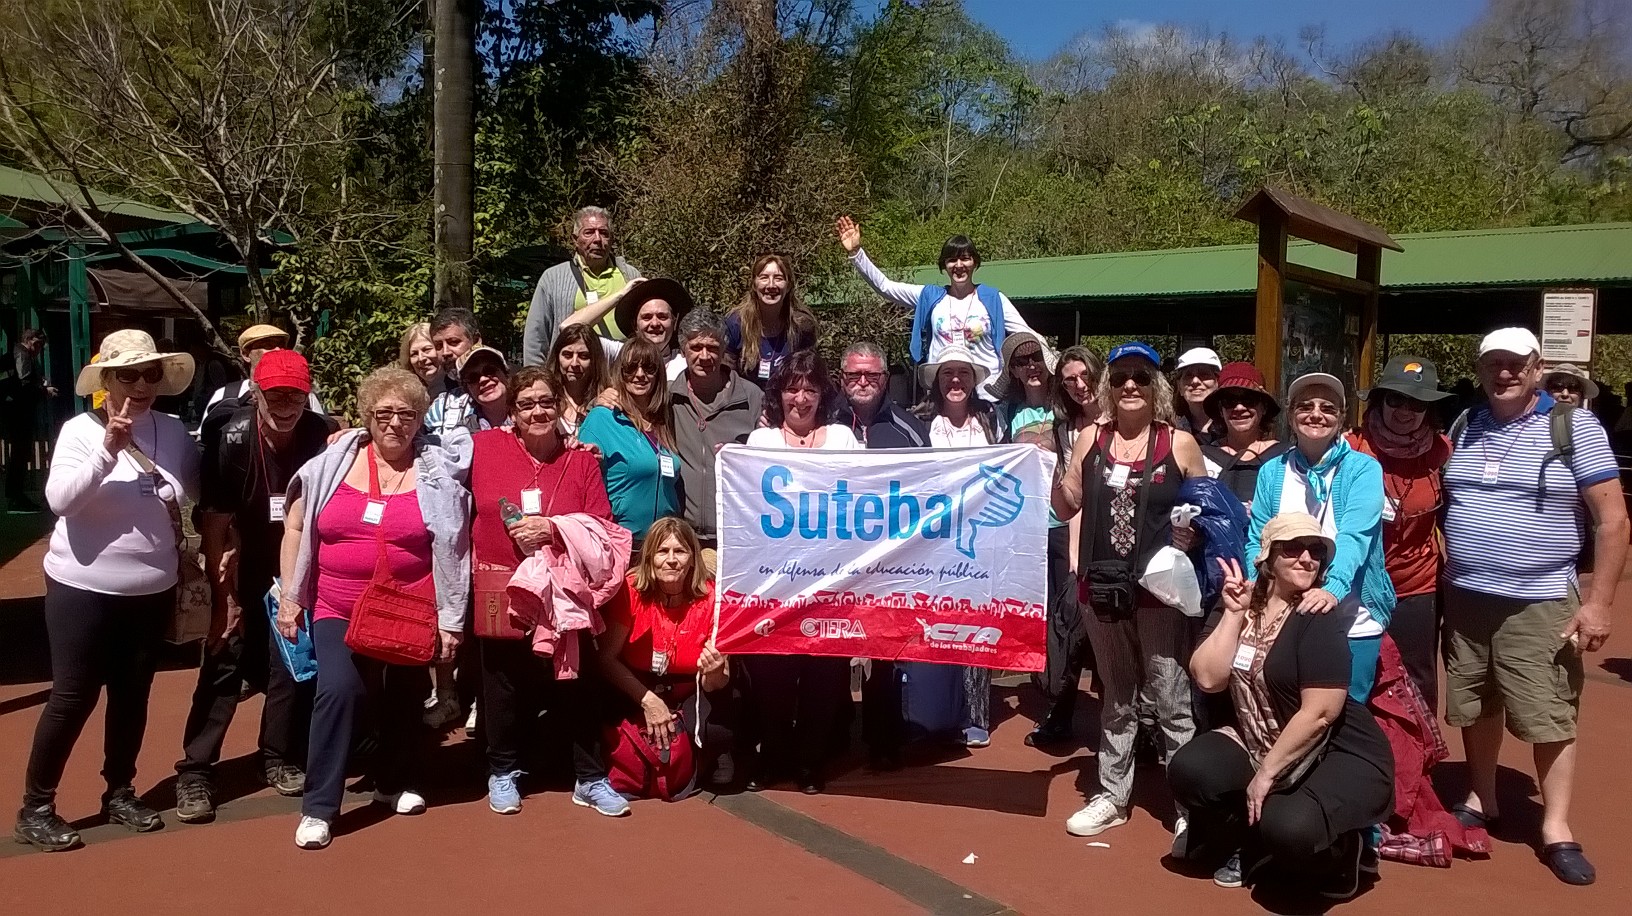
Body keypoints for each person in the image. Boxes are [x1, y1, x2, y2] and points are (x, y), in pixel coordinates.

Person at [1440, 328, 1628, 886]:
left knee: (1549, 711)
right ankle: (1483, 797)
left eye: (1515, 364)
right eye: (1493, 363)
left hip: (1540, 601)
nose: (1504, 373)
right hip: (1467, 596)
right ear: (1480, 369)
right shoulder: (1466, 424)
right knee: (1476, 701)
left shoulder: (1574, 427)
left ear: (1536, 367)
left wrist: (1599, 603)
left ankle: (1556, 826)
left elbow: (1613, 521)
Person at [14, 330, 198, 852]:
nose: (140, 385)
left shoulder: (173, 432)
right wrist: (106, 451)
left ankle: (120, 792)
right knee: (73, 697)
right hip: (83, 588)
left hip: (153, 589)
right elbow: (61, 501)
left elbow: (195, 492)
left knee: (132, 695)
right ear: (108, 380)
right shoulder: (78, 431)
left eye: (150, 373)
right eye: (128, 374)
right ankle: (36, 807)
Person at [275, 367, 472, 850]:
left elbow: (453, 548)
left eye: (406, 414)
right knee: (339, 691)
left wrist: (450, 620)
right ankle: (319, 807)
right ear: (367, 416)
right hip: (337, 602)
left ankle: (393, 781)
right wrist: (291, 595)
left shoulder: (437, 471)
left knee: (404, 695)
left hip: (409, 604)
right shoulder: (332, 463)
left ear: (420, 419)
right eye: (384, 413)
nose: (395, 423)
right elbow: (296, 526)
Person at [1170, 514, 1395, 899]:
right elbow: (1207, 678)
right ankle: (1249, 841)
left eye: (1316, 551)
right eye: (1293, 549)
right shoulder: (1241, 601)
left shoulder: (1317, 615)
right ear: (1267, 558)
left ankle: (1344, 853)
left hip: (1329, 752)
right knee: (1191, 769)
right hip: (1259, 740)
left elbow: (1320, 714)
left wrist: (1265, 776)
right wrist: (1234, 614)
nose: (1307, 558)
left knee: (1289, 830)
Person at [1050, 341, 1207, 841]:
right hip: (1101, 590)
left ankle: (1189, 807)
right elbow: (1067, 505)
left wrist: (1192, 532)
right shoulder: (1090, 440)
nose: (1130, 386)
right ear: (1108, 387)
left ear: (1155, 385)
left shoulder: (1178, 443)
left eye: (1140, 376)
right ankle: (1114, 795)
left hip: (1158, 592)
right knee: (1117, 695)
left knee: (1171, 697)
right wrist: (1047, 468)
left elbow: (1206, 509)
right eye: (1120, 378)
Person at [174, 350, 335, 824]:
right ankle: (196, 768)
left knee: (289, 661)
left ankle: (277, 755)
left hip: (295, 561)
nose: (286, 405)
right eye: (275, 395)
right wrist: (224, 599)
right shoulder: (231, 437)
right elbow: (215, 523)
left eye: (295, 396)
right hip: (239, 558)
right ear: (256, 394)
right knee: (224, 655)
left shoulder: (320, 435)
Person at [468, 366, 630, 817]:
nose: (537, 411)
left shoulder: (581, 460)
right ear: (512, 412)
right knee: (501, 682)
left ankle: (590, 778)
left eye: (546, 402)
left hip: (564, 590)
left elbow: (601, 526)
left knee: (575, 680)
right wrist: (351, 438)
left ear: (559, 406)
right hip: (502, 582)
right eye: (526, 404)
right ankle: (502, 770)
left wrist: (554, 529)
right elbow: (425, 456)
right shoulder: (482, 448)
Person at [744, 351, 860, 792]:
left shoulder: (843, 439)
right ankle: (774, 756)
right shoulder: (760, 442)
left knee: (824, 678)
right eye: (793, 388)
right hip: (775, 581)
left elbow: (867, 493)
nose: (801, 397)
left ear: (822, 394)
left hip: (831, 582)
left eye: (810, 388)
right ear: (779, 394)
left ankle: (811, 762)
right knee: (771, 677)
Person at [1245, 372, 1395, 703]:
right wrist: (1255, 591)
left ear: (1341, 417)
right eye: (1305, 406)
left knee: (1342, 713)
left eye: (1328, 408)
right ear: (1290, 415)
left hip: (1350, 618)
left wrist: (1332, 589)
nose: (1316, 414)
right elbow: (1258, 539)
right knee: (1286, 709)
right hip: (1283, 618)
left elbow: (1356, 536)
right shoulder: (1272, 471)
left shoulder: (1363, 469)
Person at [836, 341, 929, 770]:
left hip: (891, 558)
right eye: (854, 374)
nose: (863, 382)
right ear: (842, 378)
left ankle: (883, 738)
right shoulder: (824, 421)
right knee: (831, 644)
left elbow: (933, 489)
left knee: (886, 650)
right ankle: (833, 730)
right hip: (834, 556)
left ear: (885, 378)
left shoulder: (910, 429)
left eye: (871, 375)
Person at [1344, 356, 1453, 710]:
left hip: (1416, 586)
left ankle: (1418, 745)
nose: (1405, 410)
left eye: (1417, 403)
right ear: (1380, 401)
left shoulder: (1442, 451)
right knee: (1357, 676)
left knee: (1416, 679)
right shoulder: (1351, 447)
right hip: (1358, 586)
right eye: (1396, 399)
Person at [835, 215, 1038, 400]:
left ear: (975, 262)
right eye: (952, 260)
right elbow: (885, 287)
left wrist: (1049, 366)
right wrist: (856, 252)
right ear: (944, 266)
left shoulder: (993, 299)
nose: (959, 265)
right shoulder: (930, 297)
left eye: (965, 258)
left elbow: (1028, 335)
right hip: (943, 396)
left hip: (988, 396)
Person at [599, 517, 732, 798]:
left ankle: (711, 754)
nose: (671, 560)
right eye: (662, 551)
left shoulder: (712, 597)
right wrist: (649, 701)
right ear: (650, 557)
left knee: (715, 729)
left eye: (680, 551)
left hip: (692, 686)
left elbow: (717, 684)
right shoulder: (630, 590)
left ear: (692, 559)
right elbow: (607, 659)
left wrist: (714, 671)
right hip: (637, 684)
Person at [916, 346, 999, 747]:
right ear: (936, 379)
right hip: (931, 538)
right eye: (947, 372)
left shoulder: (991, 419)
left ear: (973, 380)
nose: (955, 380)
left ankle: (976, 714)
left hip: (981, 537)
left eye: (963, 373)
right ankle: (938, 712)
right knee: (938, 622)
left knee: (978, 622)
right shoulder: (919, 422)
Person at [1027, 344, 1102, 747]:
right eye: (1070, 379)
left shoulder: (1123, 421)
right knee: (1068, 624)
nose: (1079, 384)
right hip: (1074, 534)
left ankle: (1128, 727)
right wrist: (1075, 555)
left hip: (1121, 537)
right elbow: (1074, 497)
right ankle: (1061, 714)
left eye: (1085, 375)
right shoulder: (1064, 428)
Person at [669, 309, 763, 564]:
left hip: (735, 535)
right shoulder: (667, 398)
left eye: (712, 348)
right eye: (696, 347)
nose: (704, 356)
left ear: (723, 351)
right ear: (683, 351)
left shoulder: (752, 398)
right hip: (682, 536)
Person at [575, 339, 681, 546]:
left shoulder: (665, 419)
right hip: (620, 541)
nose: (640, 374)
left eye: (649, 368)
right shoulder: (601, 418)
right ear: (619, 372)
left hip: (663, 543)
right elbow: (581, 483)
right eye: (631, 368)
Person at [523, 205, 642, 368]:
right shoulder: (553, 278)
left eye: (604, 233)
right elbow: (536, 336)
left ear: (612, 239)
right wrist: (534, 375)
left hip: (621, 373)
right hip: (571, 372)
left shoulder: (630, 276)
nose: (597, 239)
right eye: (589, 232)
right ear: (575, 239)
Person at [561, 276, 693, 380]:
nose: (654, 323)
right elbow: (568, 328)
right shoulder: (619, 353)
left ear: (675, 322)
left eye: (662, 317)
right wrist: (620, 295)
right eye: (646, 317)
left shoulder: (685, 363)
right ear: (634, 325)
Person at [1198, 363, 1288, 510]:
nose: (1239, 408)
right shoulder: (1202, 457)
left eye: (1249, 399)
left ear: (1264, 407)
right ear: (1220, 410)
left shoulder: (1286, 457)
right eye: (1229, 401)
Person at [199, 325, 322, 432]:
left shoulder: (306, 398)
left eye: (281, 345)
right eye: (268, 345)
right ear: (245, 354)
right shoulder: (226, 395)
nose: (277, 350)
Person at [724, 254, 818, 385]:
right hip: (745, 396)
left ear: (788, 285)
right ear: (754, 284)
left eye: (778, 278)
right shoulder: (735, 324)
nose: (771, 285)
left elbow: (807, 374)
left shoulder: (802, 326)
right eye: (764, 278)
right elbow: (726, 376)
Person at [4, 328, 56, 511]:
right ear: (31, 341)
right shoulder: (22, 354)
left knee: (19, 453)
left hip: (13, 411)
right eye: (39, 345)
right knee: (20, 453)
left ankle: (15, 495)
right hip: (18, 413)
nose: (39, 350)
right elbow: (24, 384)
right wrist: (44, 390)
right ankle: (15, 497)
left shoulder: (15, 353)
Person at [423, 307, 483, 435]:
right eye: (439, 346)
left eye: (454, 342)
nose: (445, 352)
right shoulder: (436, 393)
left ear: (476, 341)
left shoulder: (501, 386)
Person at [549, 324, 613, 438]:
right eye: (567, 355)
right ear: (557, 357)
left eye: (583, 356)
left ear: (595, 360)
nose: (574, 363)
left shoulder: (607, 401)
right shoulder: (545, 401)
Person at [454, 346, 512, 432]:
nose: (483, 379)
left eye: (490, 371)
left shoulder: (529, 417)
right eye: (473, 377)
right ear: (467, 389)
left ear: (506, 374)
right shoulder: (462, 432)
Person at [1172, 347, 1222, 437]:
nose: (1195, 381)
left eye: (1204, 374)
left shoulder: (1232, 428)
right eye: (1188, 375)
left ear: (1218, 382)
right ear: (1179, 386)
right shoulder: (1172, 432)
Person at [398, 321, 442, 393]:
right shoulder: (409, 395)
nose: (421, 358)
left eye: (427, 349)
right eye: (414, 354)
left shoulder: (461, 385)